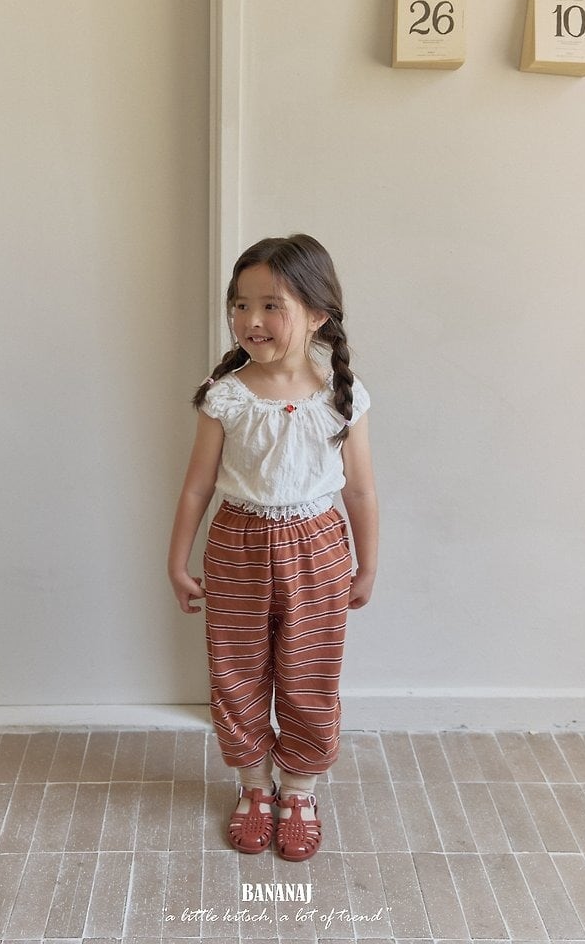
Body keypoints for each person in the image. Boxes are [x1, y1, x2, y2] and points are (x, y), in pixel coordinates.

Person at [168, 234, 378, 861]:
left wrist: (368, 564)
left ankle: (301, 790)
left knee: (309, 674)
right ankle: (254, 786)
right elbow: (197, 486)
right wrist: (176, 560)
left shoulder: (343, 395)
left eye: (270, 305)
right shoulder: (226, 395)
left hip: (319, 549)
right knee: (237, 673)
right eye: (240, 304)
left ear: (318, 314)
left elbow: (360, 490)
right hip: (236, 544)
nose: (250, 320)